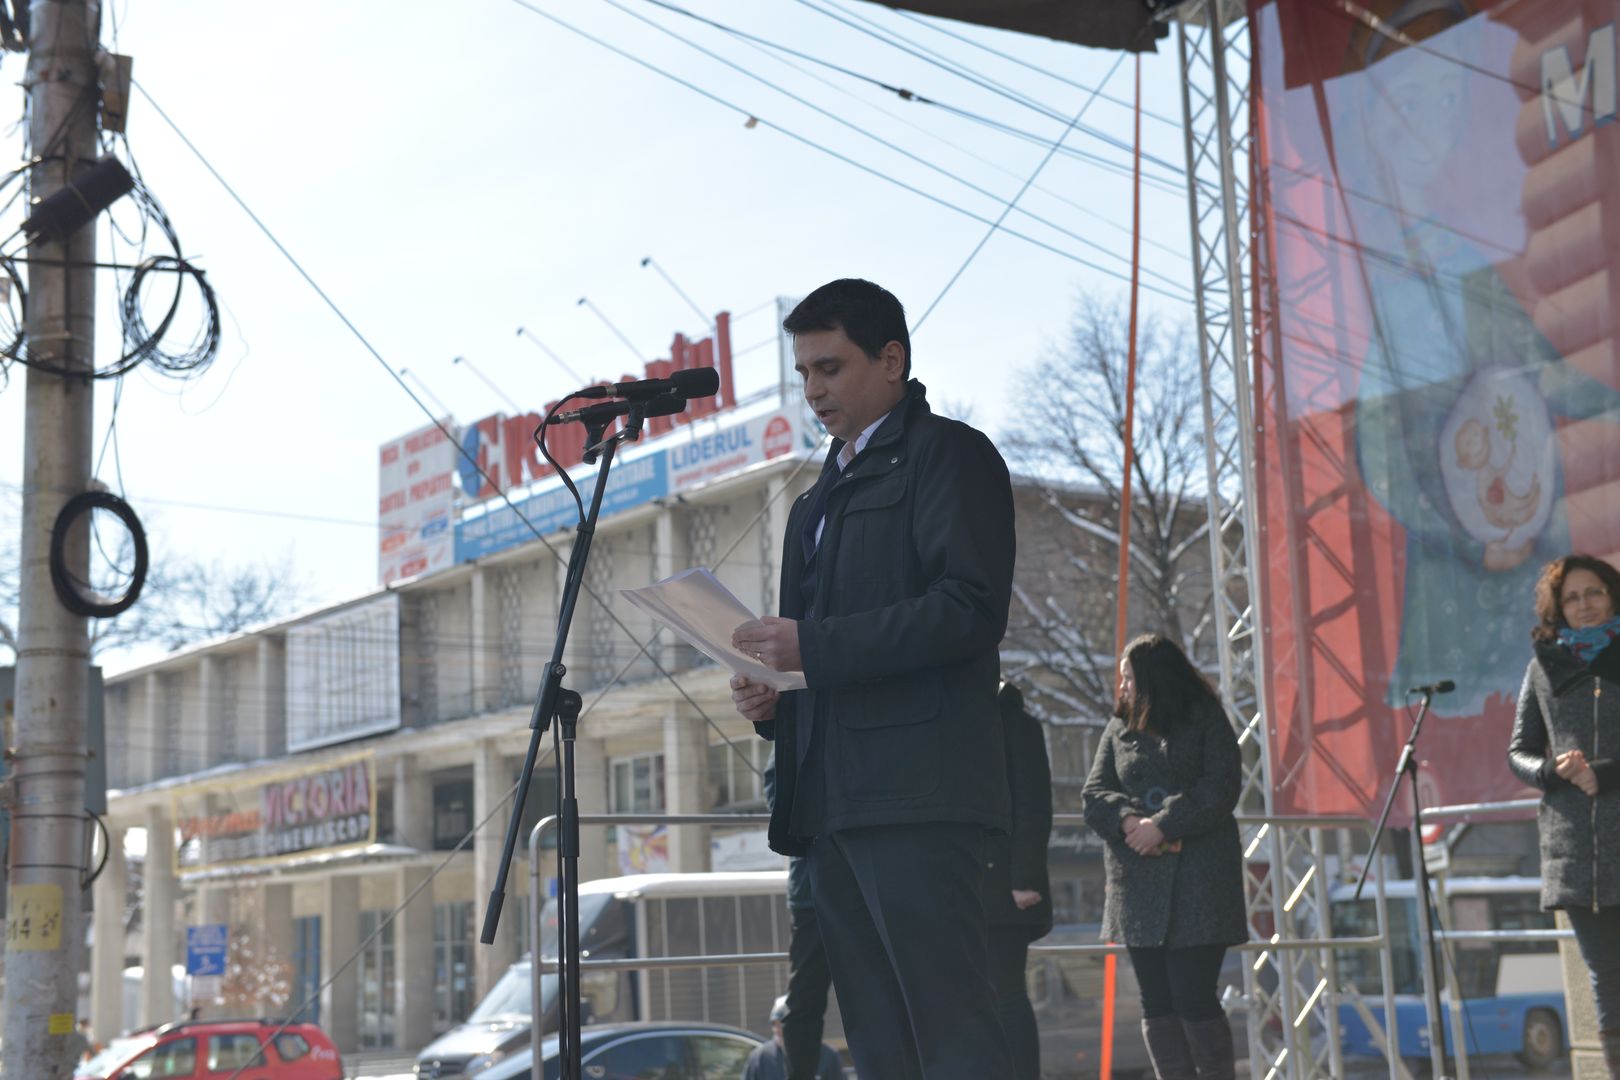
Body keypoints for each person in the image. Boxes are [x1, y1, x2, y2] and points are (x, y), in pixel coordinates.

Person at [729, 278, 1017, 1079]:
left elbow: (967, 611)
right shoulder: (813, 503)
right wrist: (771, 700)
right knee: (881, 1045)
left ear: (891, 359)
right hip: (831, 811)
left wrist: (810, 648)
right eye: (804, 375)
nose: (813, 391)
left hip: (919, 798)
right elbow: (815, 656)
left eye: (830, 367)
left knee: (952, 1034)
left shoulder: (951, 456)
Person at [1082, 633, 1246, 1080]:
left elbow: (1221, 787)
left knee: (1193, 994)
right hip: (1138, 884)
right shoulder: (1119, 727)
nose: (1123, 688)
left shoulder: (1206, 718)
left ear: (1155, 678)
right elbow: (1095, 793)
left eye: (1130, 678)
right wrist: (1129, 821)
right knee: (1156, 1001)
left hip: (1200, 880)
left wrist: (1164, 825)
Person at [1507, 553, 1620, 1077]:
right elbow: (1518, 753)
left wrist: (1607, 772)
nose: (1585, 605)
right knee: (1608, 980)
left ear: (1611, 594)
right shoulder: (1543, 667)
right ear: (1558, 609)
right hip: (1575, 849)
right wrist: (1552, 770)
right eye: (1572, 598)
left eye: (1593, 592)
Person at [982, 681, 1053, 1079]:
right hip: (971, 886)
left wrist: (1024, 878)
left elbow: (1034, 806)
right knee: (985, 998)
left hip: (1005, 888)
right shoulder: (967, 718)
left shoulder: (1017, 725)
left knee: (1006, 993)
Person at [762, 749, 834, 1080]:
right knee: (805, 997)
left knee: (807, 996)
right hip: (813, 887)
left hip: (815, 884)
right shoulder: (796, 728)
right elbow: (782, 804)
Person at [742, 995, 843, 1080]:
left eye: (783, 1023)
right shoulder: (760, 1058)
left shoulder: (828, 1056)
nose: (777, 1029)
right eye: (774, 1024)